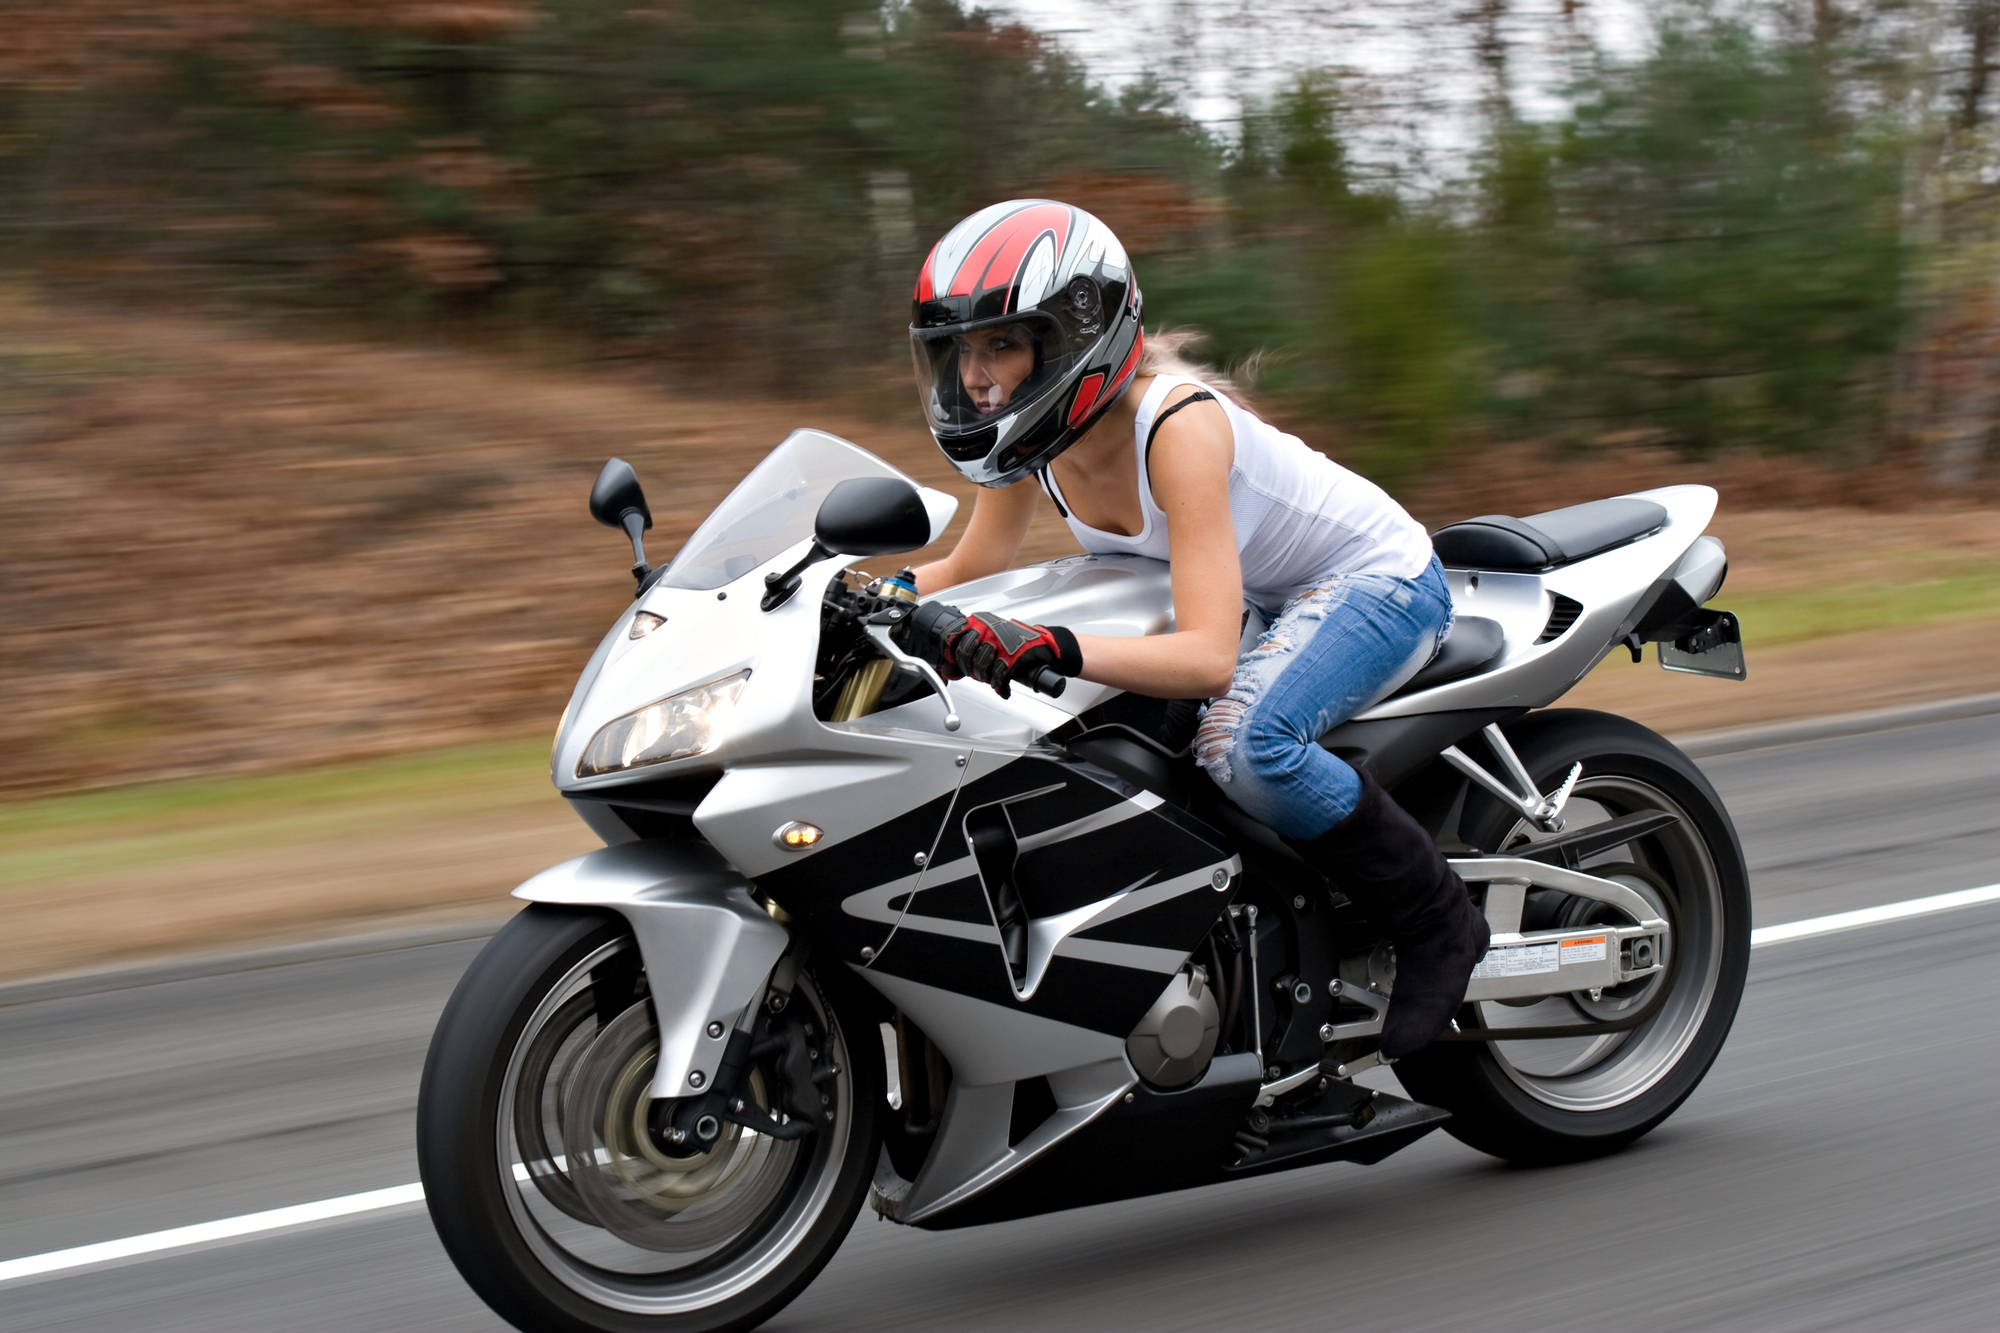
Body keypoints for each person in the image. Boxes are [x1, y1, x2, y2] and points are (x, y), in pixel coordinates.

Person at [896, 199, 1488, 1059]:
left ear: (1071, 333)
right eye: (960, 348)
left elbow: (1210, 657)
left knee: (1247, 747)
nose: (975, 375)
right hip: (1264, 597)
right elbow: (971, 563)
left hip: (1374, 581)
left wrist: (1049, 647)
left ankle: (1439, 920)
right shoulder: (1032, 437)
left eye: (1001, 343)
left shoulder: (1174, 428)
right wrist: (842, 593)